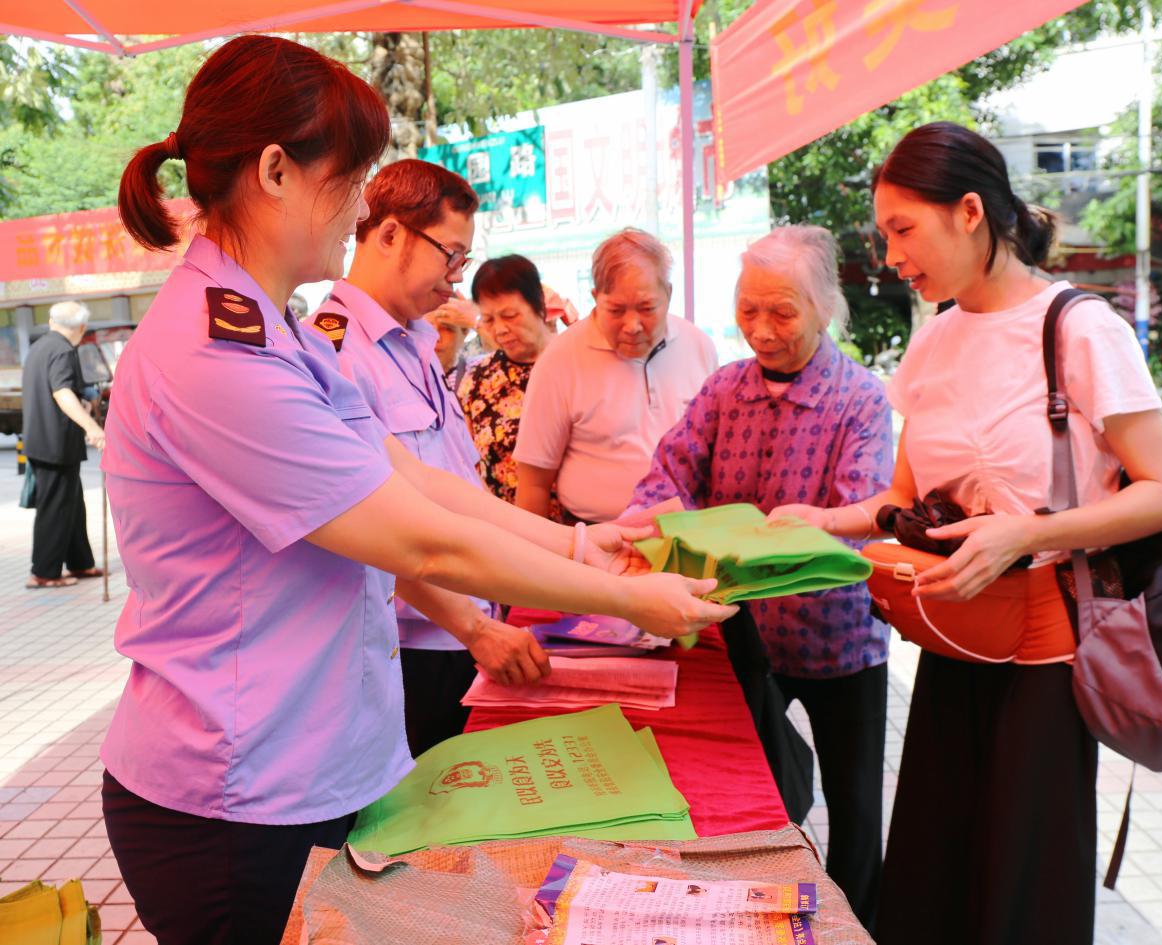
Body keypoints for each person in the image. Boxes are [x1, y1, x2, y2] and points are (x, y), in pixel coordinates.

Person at [104, 36, 735, 945]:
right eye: (350, 180)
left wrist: (579, 545)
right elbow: (421, 543)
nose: (357, 210)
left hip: (307, 765)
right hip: (234, 797)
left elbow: (419, 483)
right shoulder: (218, 352)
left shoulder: (276, 335)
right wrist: (629, 594)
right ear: (276, 170)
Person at [771, 122, 1162, 945]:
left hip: (1045, 649)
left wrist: (1018, 535)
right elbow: (899, 495)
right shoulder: (933, 339)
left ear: (969, 211)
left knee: (1021, 885)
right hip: (952, 639)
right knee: (933, 869)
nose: (891, 254)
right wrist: (820, 519)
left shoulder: (1077, 328)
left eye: (903, 229)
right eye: (883, 233)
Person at [626, 226, 891, 932]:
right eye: (747, 312)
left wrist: (817, 522)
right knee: (758, 788)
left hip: (839, 637)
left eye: (781, 312)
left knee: (857, 805)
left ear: (825, 307)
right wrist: (652, 524)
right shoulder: (724, 388)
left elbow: (866, 504)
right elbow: (667, 472)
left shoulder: (859, 398)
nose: (761, 331)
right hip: (740, 634)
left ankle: (857, 924)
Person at [304, 158, 540, 757]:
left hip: (461, 626)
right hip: (410, 646)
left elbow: (450, 488)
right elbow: (377, 527)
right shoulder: (332, 354)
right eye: (450, 255)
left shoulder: (414, 342)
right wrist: (474, 627)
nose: (456, 280)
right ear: (388, 235)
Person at [513, 227, 718, 523]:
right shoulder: (560, 360)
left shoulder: (698, 346)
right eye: (616, 310)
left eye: (647, 308)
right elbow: (534, 482)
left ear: (668, 294)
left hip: (688, 531)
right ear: (596, 297)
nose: (632, 325)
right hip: (596, 535)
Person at [459, 254, 559, 512]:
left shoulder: (574, 367)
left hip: (579, 530)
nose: (500, 330)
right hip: (504, 530)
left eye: (510, 315)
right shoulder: (477, 380)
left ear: (539, 305)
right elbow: (465, 461)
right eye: (489, 320)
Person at [21, 300, 106, 589]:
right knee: (55, 506)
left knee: (71, 504)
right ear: (81, 327)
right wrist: (92, 426)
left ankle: (80, 563)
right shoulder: (61, 350)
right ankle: (44, 572)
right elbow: (62, 393)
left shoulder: (40, 347)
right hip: (53, 442)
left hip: (46, 440)